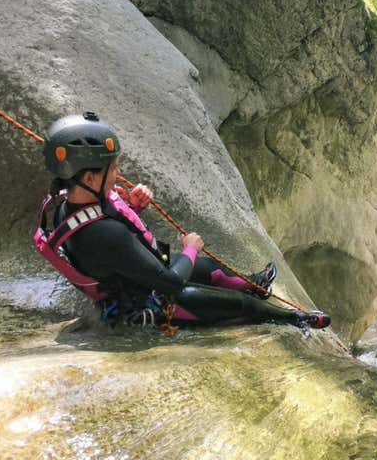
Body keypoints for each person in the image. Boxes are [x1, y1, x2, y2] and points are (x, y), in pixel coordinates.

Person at [37, 111, 329, 329]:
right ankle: (295, 319)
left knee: (211, 271)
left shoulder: (68, 203)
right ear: (89, 177)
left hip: (136, 273)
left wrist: (133, 208)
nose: (118, 173)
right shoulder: (105, 235)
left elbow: (110, 237)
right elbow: (172, 284)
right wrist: (191, 247)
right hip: (149, 300)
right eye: (112, 168)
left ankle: (255, 284)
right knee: (241, 305)